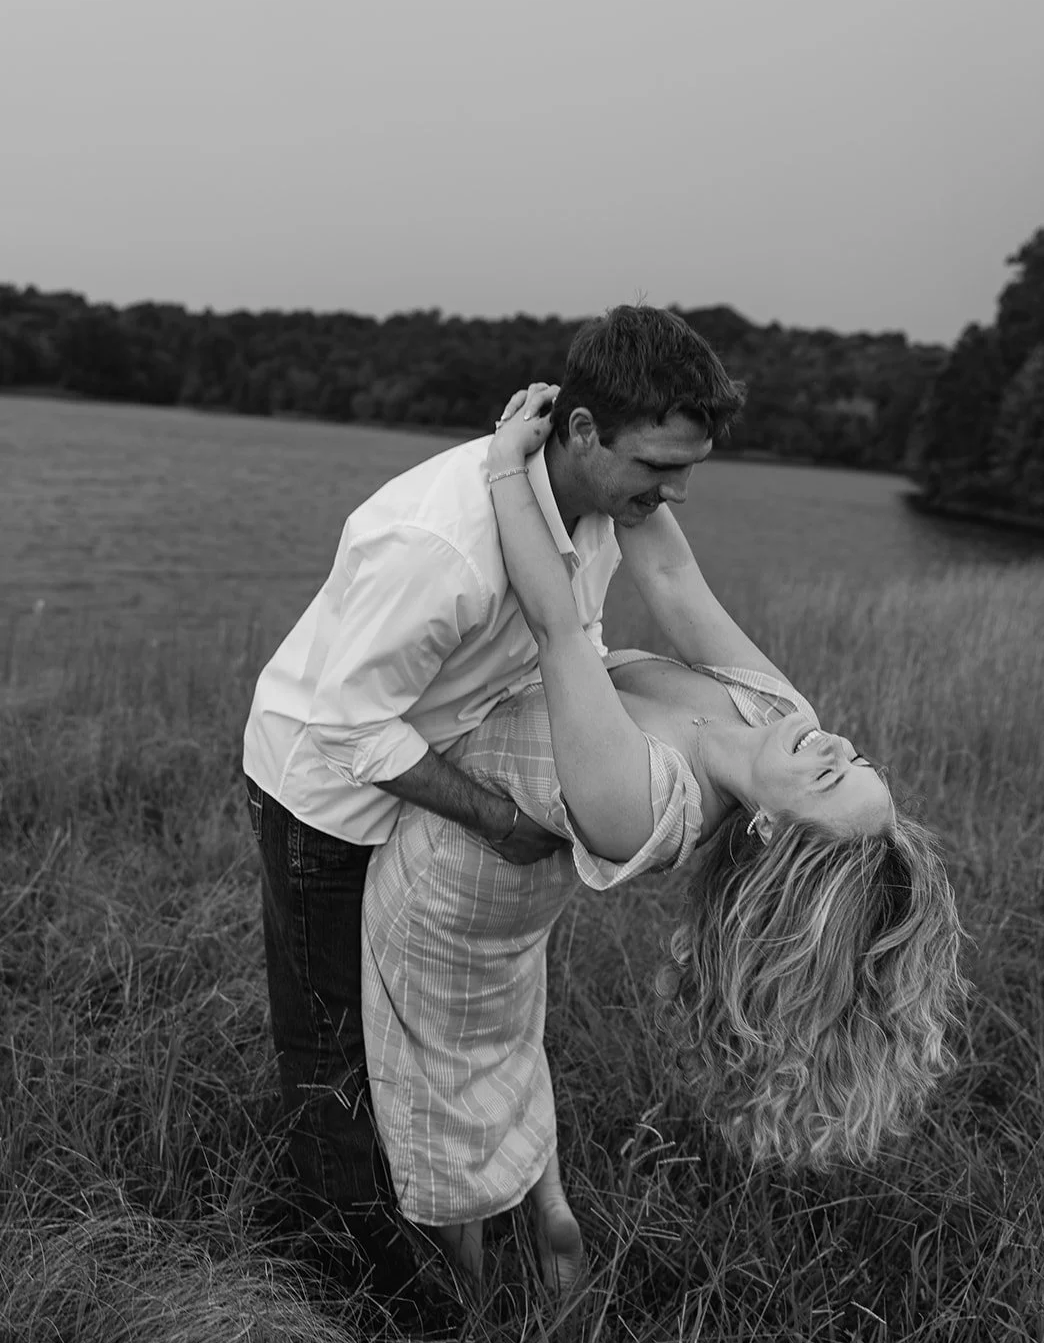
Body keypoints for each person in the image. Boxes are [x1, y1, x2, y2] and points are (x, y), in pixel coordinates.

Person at [360, 394, 967, 1293]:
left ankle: (470, 1301)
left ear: (767, 827)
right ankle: (551, 1216)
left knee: (430, 1080)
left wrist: (503, 466)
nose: (836, 745)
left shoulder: (645, 806)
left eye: (832, 778)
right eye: (860, 757)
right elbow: (675, 580)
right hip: (507, 881)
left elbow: (559, 626)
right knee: (499, 1046)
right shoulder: (780, 714)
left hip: (450, 888)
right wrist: (615, 451)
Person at [242, 304, 745, 1297]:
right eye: (657, 466)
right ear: (584, 431)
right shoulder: (443, 544)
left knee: (417, 1039)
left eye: (690, 466)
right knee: (332, 1050)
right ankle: (358, 1290)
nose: (675, 490)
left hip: (433, 770)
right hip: (324, 797)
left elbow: (569, 656)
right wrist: (493, 814)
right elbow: (348, 723)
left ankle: (427, 1232)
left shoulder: (595, 513)